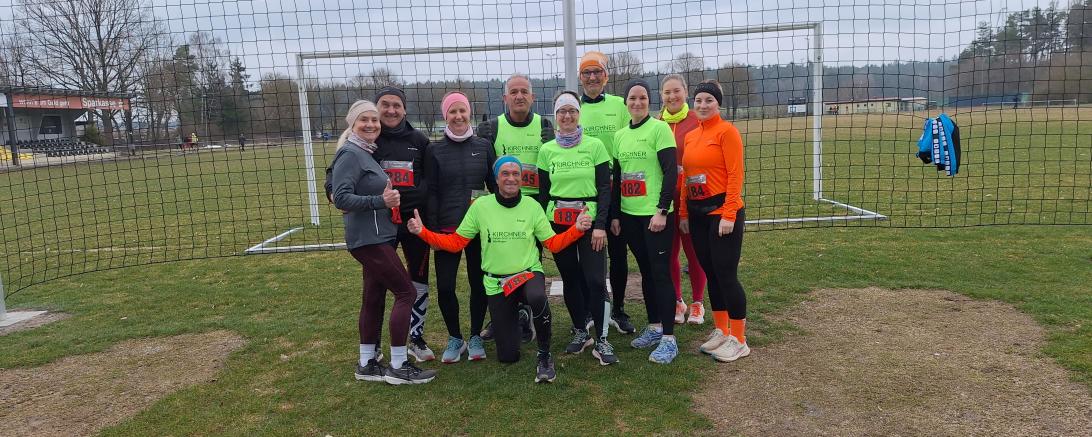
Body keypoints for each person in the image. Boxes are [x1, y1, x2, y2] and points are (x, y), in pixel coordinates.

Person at [408, 156, 591, 383]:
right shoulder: (481, 207)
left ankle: (544, 355)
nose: (511, 178)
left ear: (522, 179)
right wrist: (422, 232)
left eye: (516, 174)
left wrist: (577, 229)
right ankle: (518, 316)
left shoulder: (532, 206)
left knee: (536, 296)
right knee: (508, 356)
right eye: (505, 173)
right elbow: (456, 242)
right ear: (496, 178)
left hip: (527, 274)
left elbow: (552, 243)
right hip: (497, 283)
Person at [330, 100, 437, 384]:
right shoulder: (350, 154)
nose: (371, 124)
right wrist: (382, 200)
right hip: (370, 239)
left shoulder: (366, 152)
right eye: (364, 120)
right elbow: (340, 198)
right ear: (352, 124)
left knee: (374, 296)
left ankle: (367, 362)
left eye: (374, 120)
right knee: (406, 293)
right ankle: (399, 365)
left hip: (377, 234)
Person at [537, 91, 617, 365]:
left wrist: (600, 226)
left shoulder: (595, 146)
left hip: (590, 223)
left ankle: (603, 339)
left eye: (572, 111)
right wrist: (543, 229)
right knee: (570, 278)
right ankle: (581, 330)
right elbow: (544, 194)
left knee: (595, 280)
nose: (567, 116)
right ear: (555, 116)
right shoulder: (547, 150)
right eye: (562, 112)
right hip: (559, 224)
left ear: (578, 114)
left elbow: (605, 189)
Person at [475, 73, 555, 343]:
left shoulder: (544, 125)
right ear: (505, 98)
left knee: (528, 263)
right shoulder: (493, 127)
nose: (519, 96)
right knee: (501, 262)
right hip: (502, 207)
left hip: (534, 207)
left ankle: (524, 314)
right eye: (514, 92)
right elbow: (485, 168)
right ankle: (503, 317)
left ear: (532, 97)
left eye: (524, 92)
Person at [679, 80, 751, 363]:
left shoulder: (727, 132)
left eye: (708, 100)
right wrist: (684, 212)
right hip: (697, 216)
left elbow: (736, 175)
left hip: (722, 214)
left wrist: (729, 214)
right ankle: (722, 330)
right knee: (710, 272)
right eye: (698, 101)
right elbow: (687, 177)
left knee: (726, 274)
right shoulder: (692, 136)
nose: (703, 105)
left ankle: (739, 338)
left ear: (717, 103)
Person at [425, 91, 497, 363]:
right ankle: (455, 338)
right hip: (446, 230)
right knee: (445, 286)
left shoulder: (483, 145)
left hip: (479, 230)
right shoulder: (434, 149)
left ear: (469, 113)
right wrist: (431, 231)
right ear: (446, 116)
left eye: (462, 111)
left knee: (480, 284)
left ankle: (476, 335)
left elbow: (494, 186)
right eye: (452, 112)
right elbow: (430, 192)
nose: (458, 116)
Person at [612, 79, 679, 364]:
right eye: (632, 98)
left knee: (661, 273)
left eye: (641, 98)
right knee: (647, 273)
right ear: (625, 103)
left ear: (649, 101)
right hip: (630, 216)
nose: (637, 103)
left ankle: (669, 338)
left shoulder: (660, 129)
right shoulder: (619, 136)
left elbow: (670, 174)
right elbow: (617, 179)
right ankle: (654, 326)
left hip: (656, 217)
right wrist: (615, 214)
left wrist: (662, 210)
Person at [370, 86, 436, 362]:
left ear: (405, 109)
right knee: (376, 281)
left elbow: (431, 181)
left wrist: (414, 203)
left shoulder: (419, 141)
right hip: (378, 223)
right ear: (377, 108)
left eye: (396, 105)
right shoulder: (367, 139)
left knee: (418, 280)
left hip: (412, 223)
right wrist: (330, 187)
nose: (391, 110)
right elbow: (339, 168)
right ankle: (371, 343)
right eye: (385, 105)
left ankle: (416, 338)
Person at [577, 51, 635, 335]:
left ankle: (620, 309)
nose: (591, 77)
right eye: (586, 73)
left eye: (596, 72)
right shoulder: (573, 108)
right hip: (587, 192)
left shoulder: (619, 105)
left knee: (619, 253)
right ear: (580, 78)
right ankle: (592, 308)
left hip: (617, 189)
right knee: (590, 255)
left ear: (606, 76)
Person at [658, 74, 708, 325]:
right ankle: (678, 301)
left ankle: (698, 303)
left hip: (691, 199)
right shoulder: (656, 123)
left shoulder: (697, 120)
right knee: (669, 254)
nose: (672, 96)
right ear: (661, 96)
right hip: (665, 202)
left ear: (685, 92)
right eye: (667, 92)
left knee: (694, 252)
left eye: (676, 91)